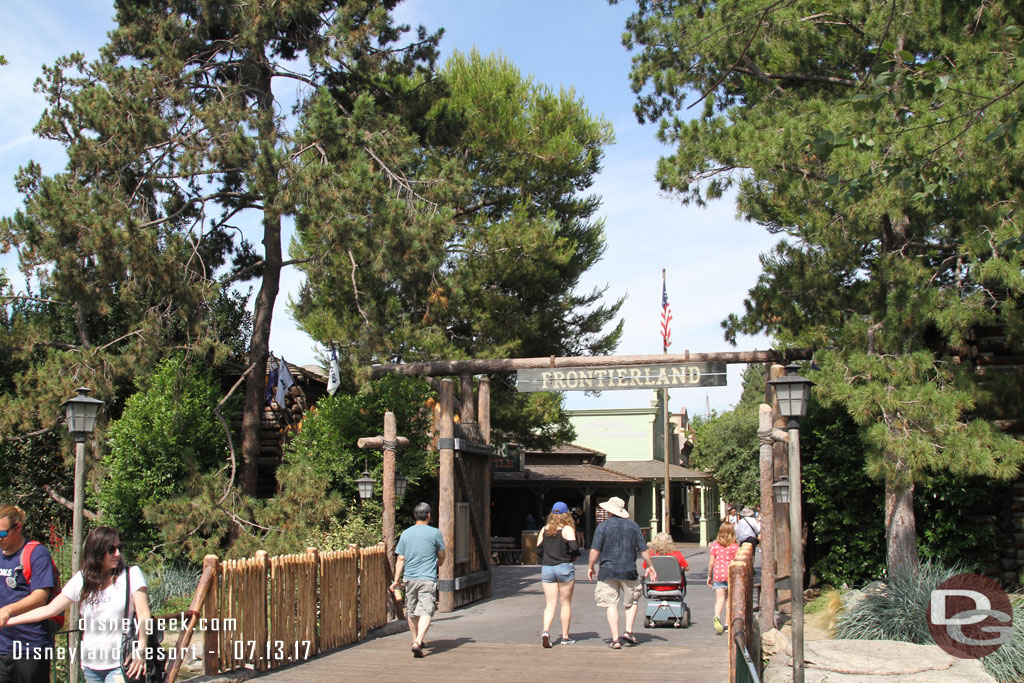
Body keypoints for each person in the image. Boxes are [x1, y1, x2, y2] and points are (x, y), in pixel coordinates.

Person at [7, 526, 152, 683]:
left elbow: (144, 614)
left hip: (120, 663)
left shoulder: (131, 574)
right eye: (111, 550)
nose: (117, 554)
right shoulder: (82, 579)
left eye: (119, 548)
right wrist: (8, 620)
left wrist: (141, 649)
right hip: (91, 666)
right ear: (96, 553)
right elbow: (50, 609)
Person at [586, 497, 656, 649]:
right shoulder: (633, 526)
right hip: (628, 569)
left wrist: (591, 566)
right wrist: (650, 565)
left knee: (611, 604)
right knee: (632, 601)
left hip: (607, 570)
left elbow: (595, 550)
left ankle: (615, 639)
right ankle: (629, 631)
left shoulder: (602, 527)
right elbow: (643, 549)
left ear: (610, 511)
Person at [0, 505, 56, 683]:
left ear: (18, 527)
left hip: (29, 647)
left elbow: (40, 597)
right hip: (2, 647)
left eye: (2, 534)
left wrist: (8, 610)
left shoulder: (36, 553)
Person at [390, 502, 445, 658]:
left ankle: (415, 640)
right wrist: (440, 562)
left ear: (415, 515)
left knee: (412, 611)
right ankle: (418, 641)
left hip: (410, 578)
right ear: (429, 515)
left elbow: (401, 558)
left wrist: (396, 579)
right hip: (427, 578)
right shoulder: (435, 533)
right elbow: (442, 554)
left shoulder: (406, 534)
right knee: (427, 610)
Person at [536, 502, 579, 647]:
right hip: (564, 567)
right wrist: (572, 556)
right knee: (565, 603)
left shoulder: (544, 529)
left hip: (548, 568)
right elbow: (574, 548)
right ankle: (565, 637)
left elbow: (539, 550)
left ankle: (546, 631)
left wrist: (546, 560)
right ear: (566, 514)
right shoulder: (567, 529)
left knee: (550, 604)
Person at [706, 521, 739, 635]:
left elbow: (711, 563)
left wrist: (709, 575)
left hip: (718, 574)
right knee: (729, 600)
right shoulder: (735, 547)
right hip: (730, 574)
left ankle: (717, 616)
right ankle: (727, 624)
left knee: (720, 599)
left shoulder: (714, 546)